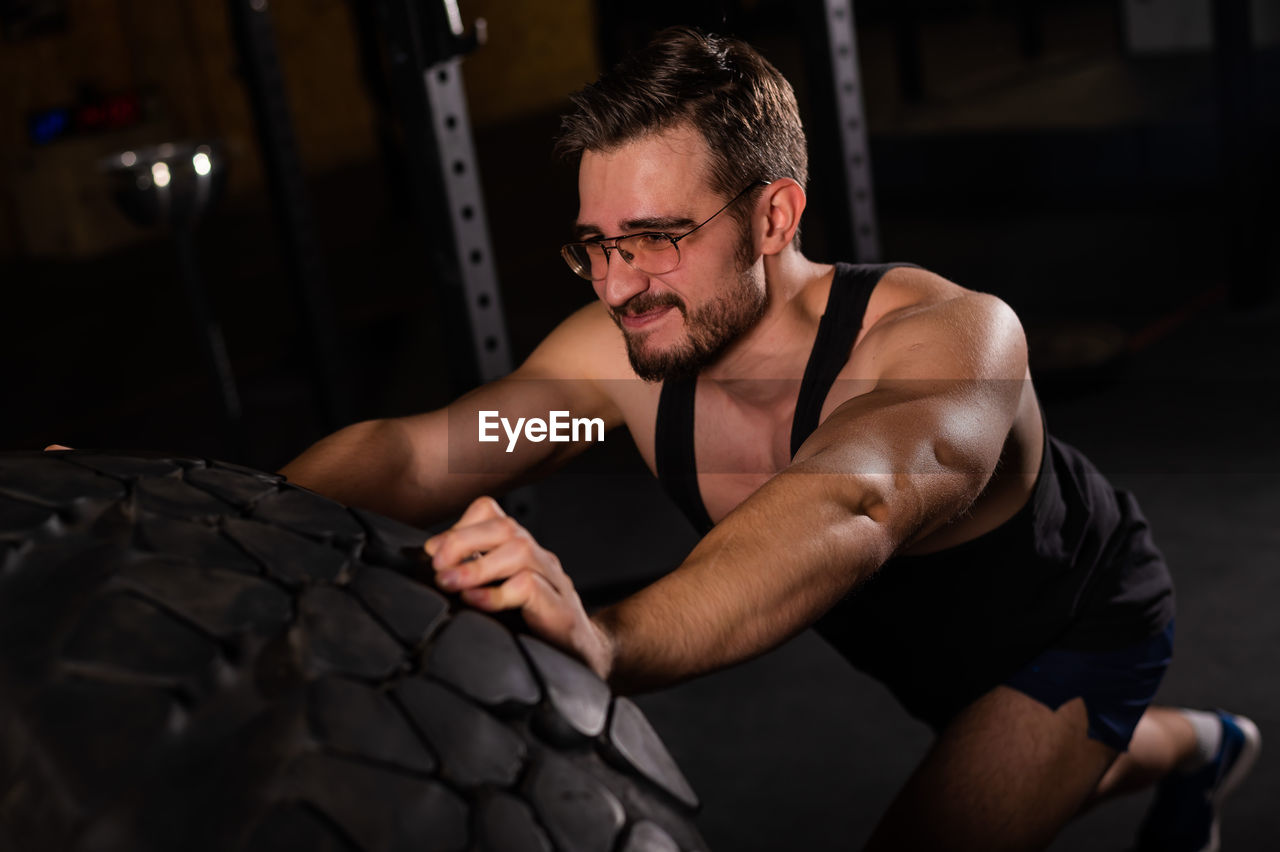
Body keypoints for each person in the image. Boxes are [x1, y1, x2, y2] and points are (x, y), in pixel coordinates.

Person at [282, 27, 1259, 851]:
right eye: (598, 245)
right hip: (920, 660)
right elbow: (426, 454)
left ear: (772, 216)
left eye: (658, 238)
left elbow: (858, 496)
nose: (619, 286)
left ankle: (1186, 746)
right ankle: (1204, 745)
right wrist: (203, 520)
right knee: (1058, 775)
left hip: (1071, 634)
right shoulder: (617, 370)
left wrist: (605, 638)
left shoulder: (949, 336)